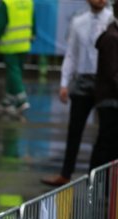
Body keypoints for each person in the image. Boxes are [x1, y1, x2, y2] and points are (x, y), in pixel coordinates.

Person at [40, 0, 112, 187]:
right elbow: (71, 54)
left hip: (106, 81)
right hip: (83, 80)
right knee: (75, 129)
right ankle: (66, 173)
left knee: (107, 133)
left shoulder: (113, 21)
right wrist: (64, 83)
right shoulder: (78, 21)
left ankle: (97, 179)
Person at [0, 0, 34, 115]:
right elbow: (33, 21)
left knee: (13, 72)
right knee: (15, 72)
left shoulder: (7, 3)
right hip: (24, 43)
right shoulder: (28, 2)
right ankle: (7, 101)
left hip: (10, 44)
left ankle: (22, 99)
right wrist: (32, 35)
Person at [88, 1, 118, 172]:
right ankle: (99, 188)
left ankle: (101, 187)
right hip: (110, 100)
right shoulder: (112, 37)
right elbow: (113, 74)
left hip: (110, 98)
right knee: (107, 145)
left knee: (106, 144)